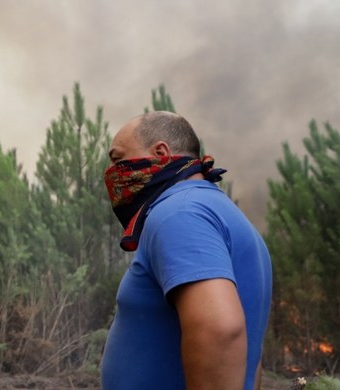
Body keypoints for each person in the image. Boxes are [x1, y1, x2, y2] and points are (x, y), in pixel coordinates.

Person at [99, 111, 272, 389]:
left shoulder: (178, 213)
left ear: (161, 152)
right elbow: (252, 360)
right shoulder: (221, 211)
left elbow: (220, 331)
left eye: (118, 159)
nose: (112, 173)